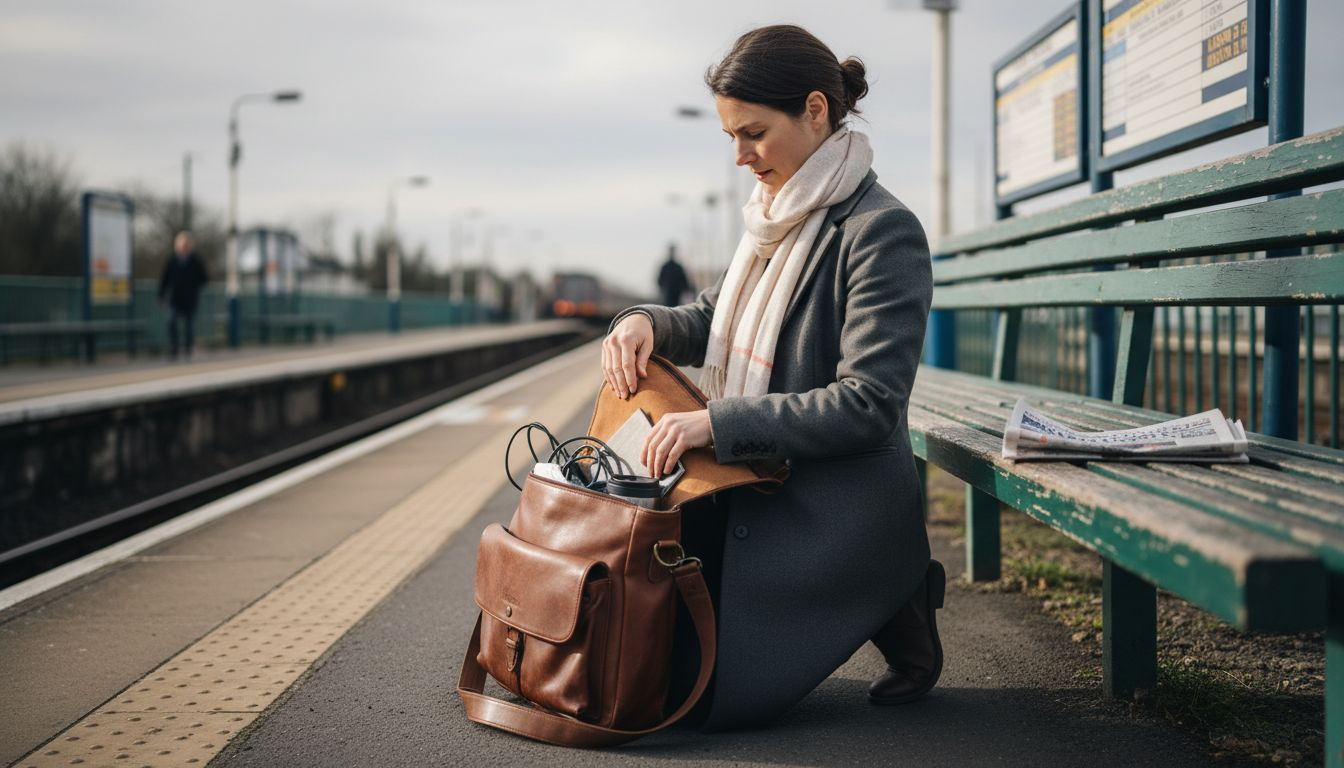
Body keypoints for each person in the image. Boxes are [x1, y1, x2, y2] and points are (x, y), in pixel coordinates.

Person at [602, 24, 941, 731]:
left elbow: (871, 404)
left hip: (825, 490)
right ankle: (896, 597)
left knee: (696, 702)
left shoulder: (881, 231)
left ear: (816, 110)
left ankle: (896, 584)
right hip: (757, 470)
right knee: (633, 670)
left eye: (752, 133)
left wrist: (716, 424)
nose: (739, 157)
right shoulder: (775, 214)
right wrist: (645, 323)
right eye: (731, 137)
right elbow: (713, 316)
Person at [158, 231, 208, 359]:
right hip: (175, 298)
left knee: (189, 326)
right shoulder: (172, 260)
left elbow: (204, 278)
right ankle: (174, 347)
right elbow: (164, 279)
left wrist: (194, 285)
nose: (184, 247)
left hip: (190, 299)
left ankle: (188, 348)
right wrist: (161, 295)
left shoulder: (196, 261)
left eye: (186, 245)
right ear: (178, 246)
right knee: (171, 321)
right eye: (182, 245)